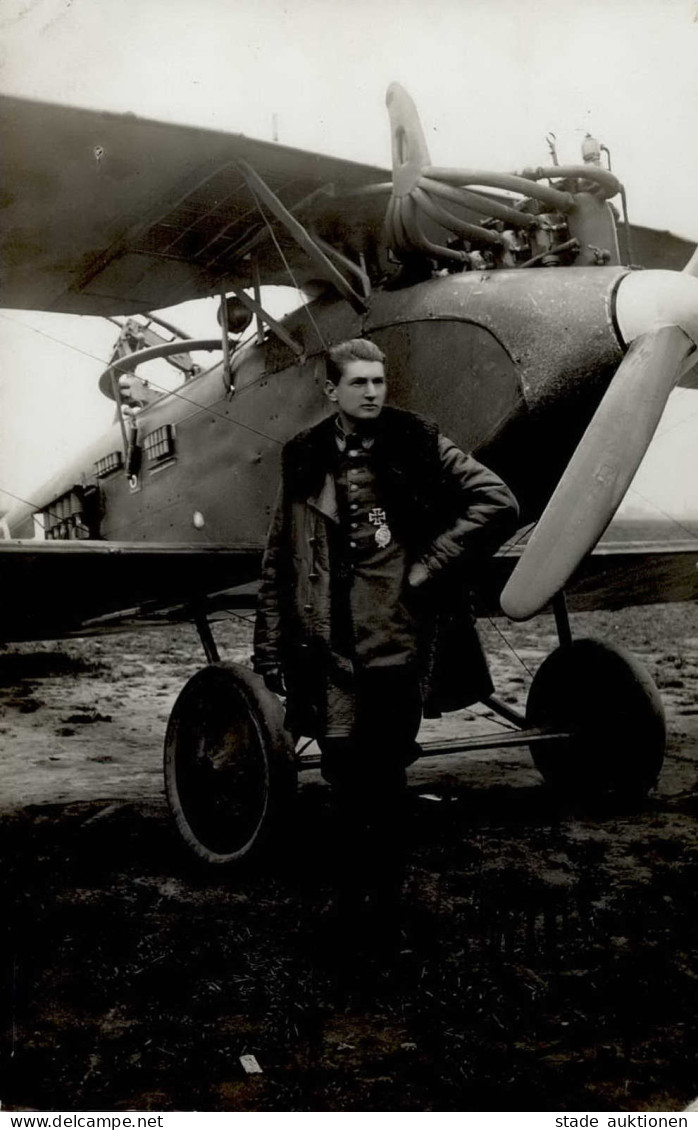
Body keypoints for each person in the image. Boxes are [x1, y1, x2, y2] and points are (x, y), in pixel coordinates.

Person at [253, 338, 519, 948]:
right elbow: (280, 558)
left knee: (387, 777)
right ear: (331, 391)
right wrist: (268, 646)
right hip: (328, 647)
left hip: (398, 641)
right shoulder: (304, 456)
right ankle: (351, 912)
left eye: (378, 382)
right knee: (343, 779)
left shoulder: (418, 440)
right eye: (358, 384)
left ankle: (389, 912)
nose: (372, 393)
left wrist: (430, 563)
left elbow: (496, 500)